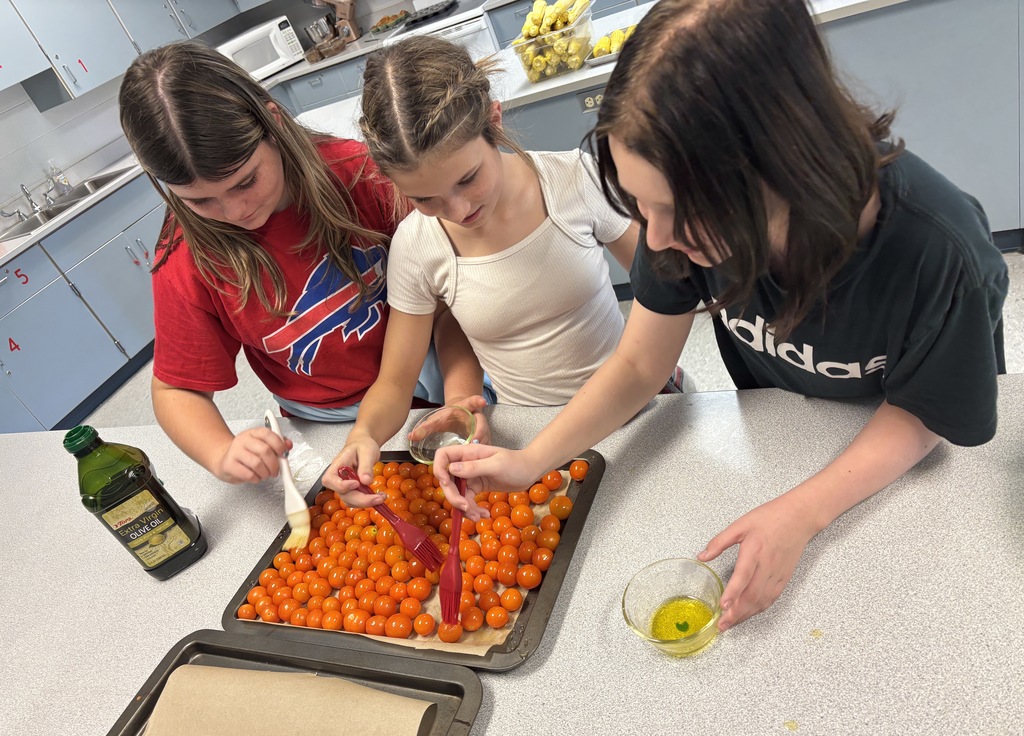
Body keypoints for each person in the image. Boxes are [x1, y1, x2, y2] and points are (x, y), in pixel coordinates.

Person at [432, 0, 1009, 633]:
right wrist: (528, 460)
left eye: (673, 210)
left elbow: (928, 410)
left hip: (898, 471)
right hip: (779, 431)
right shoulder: (680, 223)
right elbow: (639, 362)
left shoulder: (939, 251)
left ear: (787, 162)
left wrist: (804, 512)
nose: (652, 242)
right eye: (639, 204)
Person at [119, 41, 482, 484]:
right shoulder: (186, 261)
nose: (235, 212)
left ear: (273, 122)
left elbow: (451, 306)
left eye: (245, 181)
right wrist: (220, 452)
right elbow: (177, 389)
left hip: (439, 374)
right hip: (327, 419)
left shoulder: (360, 174)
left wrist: (460, 395)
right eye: (198, 200)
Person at [321, 36, 656, 498]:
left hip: (638, 404)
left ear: (493, 123)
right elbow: (396, 381)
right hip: (529, 434)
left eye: (467, 178)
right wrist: (363, 437)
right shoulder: (417, 247)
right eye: (425, 198)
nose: (458, 210)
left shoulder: (573, 180)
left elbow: (663, 286)